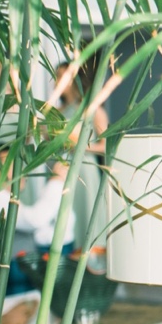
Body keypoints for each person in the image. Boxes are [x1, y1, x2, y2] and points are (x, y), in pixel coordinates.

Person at [53, 59, 109, 251]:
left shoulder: (91, 109)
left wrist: (81, 147)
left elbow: (106, 145)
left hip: (85, 169)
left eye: (62, 77)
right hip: (61, 168)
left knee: (85, 214)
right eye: (56, 77)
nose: (57, 81)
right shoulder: (57, 112)